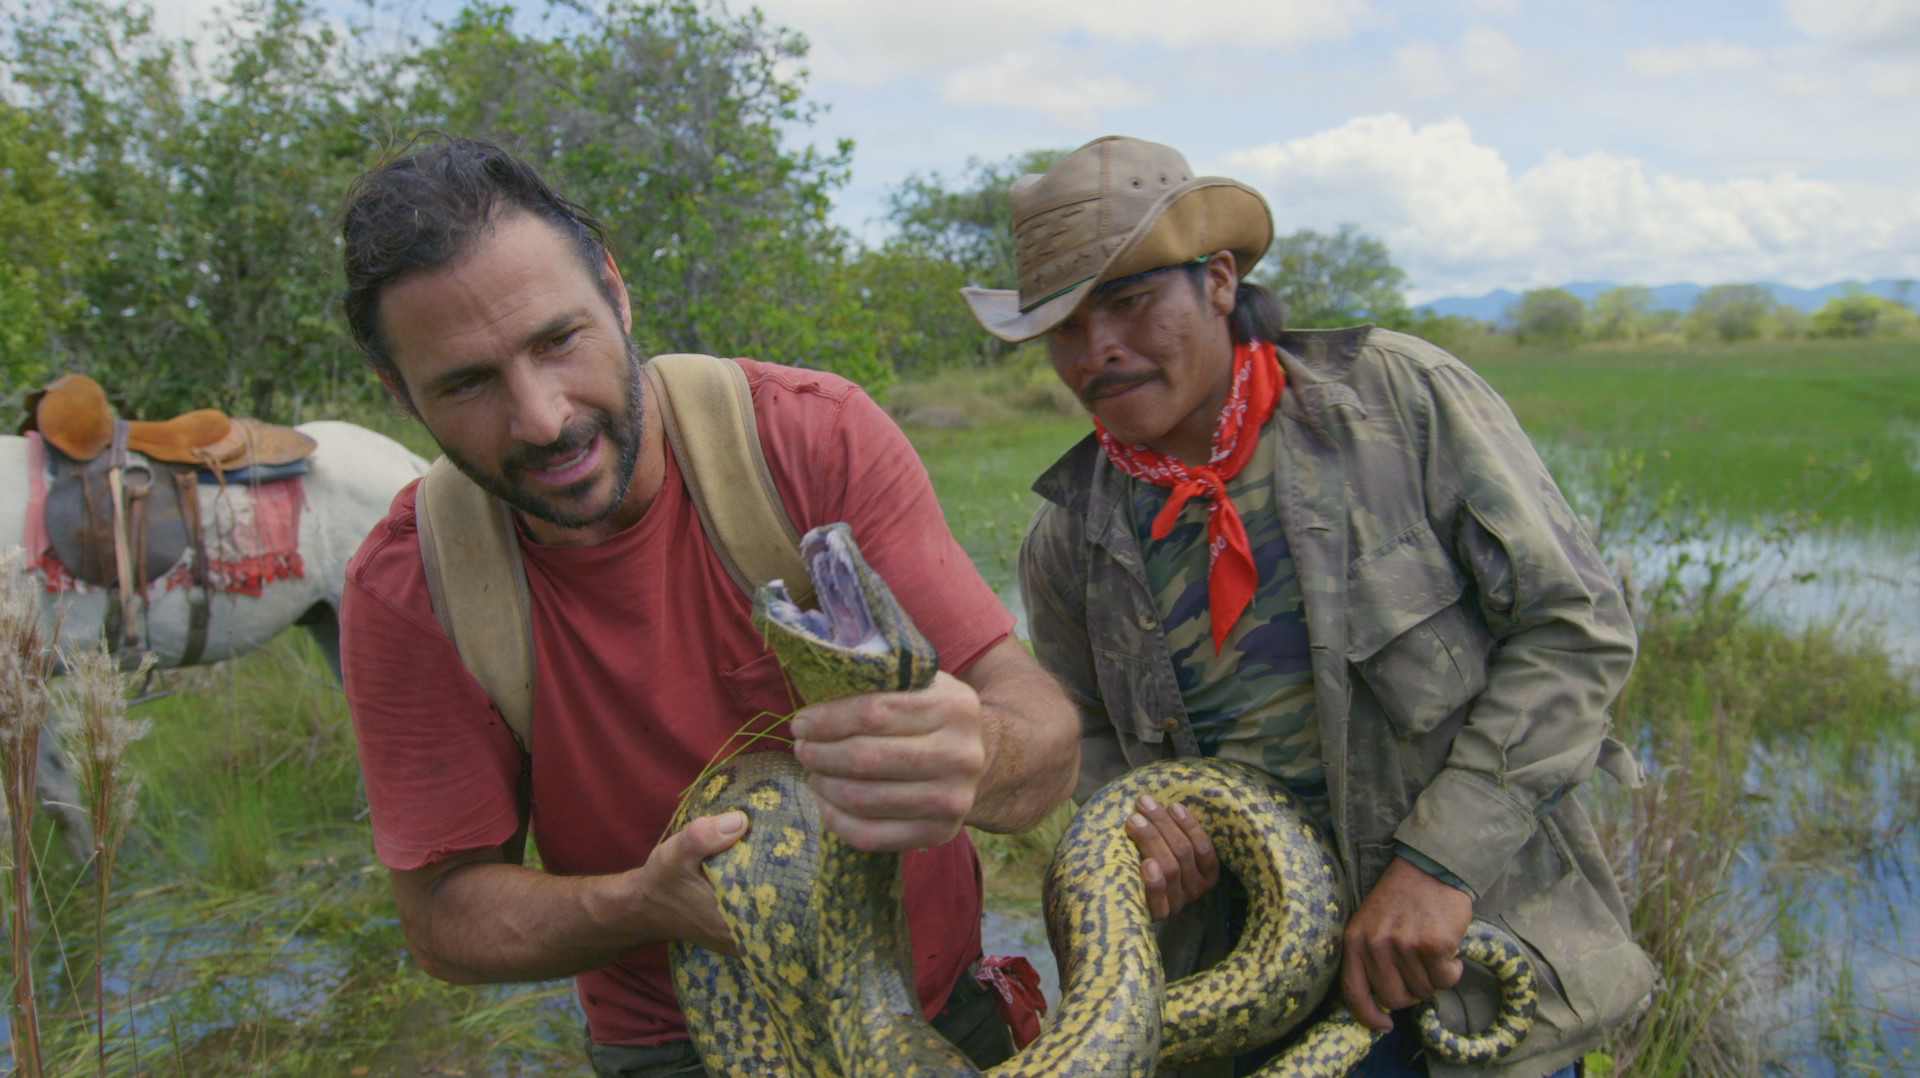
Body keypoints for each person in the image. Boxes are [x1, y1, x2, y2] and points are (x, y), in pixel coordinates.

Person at [335, 135, 1081, 1077]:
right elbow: (442, 920)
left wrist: (980, 757)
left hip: (935, 1003)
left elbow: (1043, 737)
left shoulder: (811, 439)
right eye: (467, 383)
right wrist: (641, 904)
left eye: (558, 340)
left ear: (615, 290)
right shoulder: (411, 583)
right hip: (673, 1046)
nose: (543, 417)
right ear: (400, 395)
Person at [967, 136, 1655, 1078]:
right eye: (1064, 327)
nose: (1098, 353)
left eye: (1129, 303)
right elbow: (1086, 741)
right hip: (1245, 1008)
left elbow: (1574, 629)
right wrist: (1143, 834)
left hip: (1471, 960)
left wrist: (1439, 865)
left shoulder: (1400, 403)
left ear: (1217, 281)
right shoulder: (1068, 539)